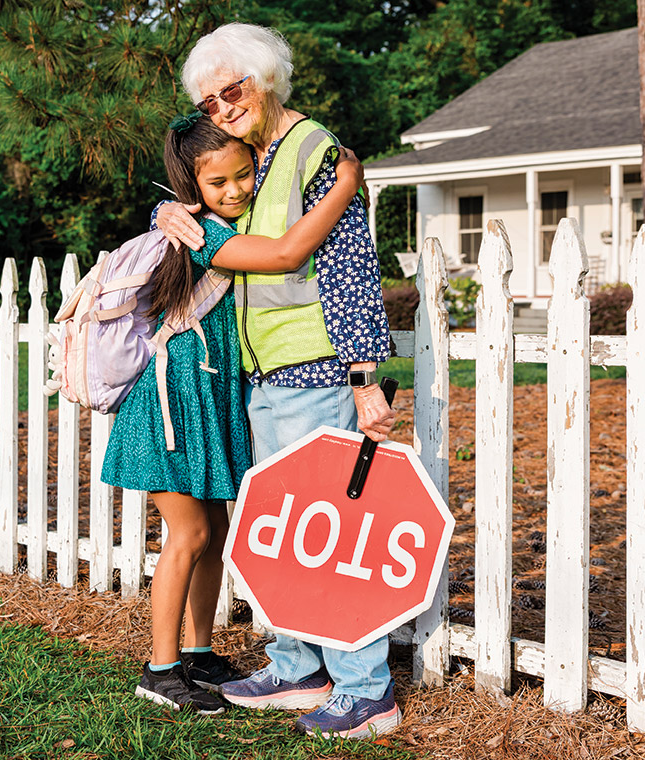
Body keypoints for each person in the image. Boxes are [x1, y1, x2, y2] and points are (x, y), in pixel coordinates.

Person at [152, 23, 400, 739]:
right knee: (287, 533)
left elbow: (350, 265)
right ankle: (298, 665)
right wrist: (162, 210)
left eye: (233, 90)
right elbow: (204, 215)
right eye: (209, 103)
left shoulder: (316, 151)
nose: (223, 109)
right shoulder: (251, 158)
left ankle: (364, 690)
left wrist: (362, 377)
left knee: (329, 534)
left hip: (316, 369)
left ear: (265, 79)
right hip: (271, 376)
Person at [101, 113, 364, 715]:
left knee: (215, 533)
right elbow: (285, 253)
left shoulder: (216, 219)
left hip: (206, 397)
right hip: (170, 403)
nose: (238, 190)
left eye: (245, 174)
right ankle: (159, 669)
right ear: (193, 190)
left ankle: (196, 653)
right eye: (219, 184)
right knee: (189, 534)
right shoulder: (204, 232)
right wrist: (343, 182)